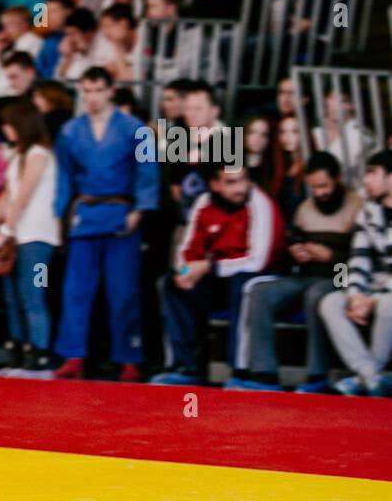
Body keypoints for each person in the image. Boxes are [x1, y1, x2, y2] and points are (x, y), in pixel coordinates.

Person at [52, 66, 157, 381]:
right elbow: (64, 176)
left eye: (98, 90)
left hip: (120, 212)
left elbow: (147, 171)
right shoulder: (71, 130)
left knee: (123, 291)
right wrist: (60, 215)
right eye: (86, 91)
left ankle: (129, 358)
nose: (92, 97)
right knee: (76, 290)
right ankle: (73, 355)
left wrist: (140, 209)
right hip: (85, 212)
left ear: (111, 90)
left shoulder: (136, 129)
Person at [228, 152, 362, 392]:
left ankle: (317, 374)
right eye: (314, 187)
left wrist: (332, 256)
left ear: (338, 179)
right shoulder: (305, 209)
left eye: (324, 185)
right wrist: (296, 251)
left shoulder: (357, 206)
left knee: (317, 295)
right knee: (260, 292)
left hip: (341, 274)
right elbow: (293, 240)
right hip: (305, 274)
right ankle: (264, 373)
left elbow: (362, 257)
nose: (319, 192)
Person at [150, 163, 285, 386]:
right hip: (217, 274)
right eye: (231, 182)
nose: (240, 188)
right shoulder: (204, 203)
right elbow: (186, 252)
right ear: (214, 185)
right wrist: (184, 273)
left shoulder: (260, 203)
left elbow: (259, 260)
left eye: (243, 180)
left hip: (261, 274)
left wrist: (209, 267)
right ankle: (185, 367)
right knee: (171, 282)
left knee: (243, 285)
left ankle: (240, 370)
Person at [0, 100, 58, 372]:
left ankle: (38, 349)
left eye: (9, 124)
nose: (5, 130)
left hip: (38, 237)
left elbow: (24, 196)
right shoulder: (17, 155)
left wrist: (3, 231)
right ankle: (17, 344)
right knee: (13, 295)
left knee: (33, 294)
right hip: (18, 236)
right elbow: (8, 195)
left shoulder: (39, 154)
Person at [316, 150, 392, 397]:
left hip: (387, 292)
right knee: (328, 302)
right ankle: (370, 375)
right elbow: (358, 258)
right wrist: (355, 295)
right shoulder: (368, 211)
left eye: (372, 174)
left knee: (388, 305)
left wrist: (373, 298)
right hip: (369, 288)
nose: (366, 181)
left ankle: (365, 377)